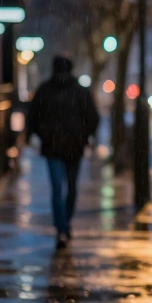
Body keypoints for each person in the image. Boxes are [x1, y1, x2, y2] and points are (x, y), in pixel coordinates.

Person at [26, 54, 99, 248]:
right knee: (71, 188)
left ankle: (62, 228)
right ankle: (64, 224)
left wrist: (43, 135)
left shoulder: (45, 90)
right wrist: (83, 137)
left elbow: (32, 117)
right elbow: (93, 118)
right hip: (73, 147)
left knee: (58, 188)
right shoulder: (80, 92)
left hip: (53, 147)